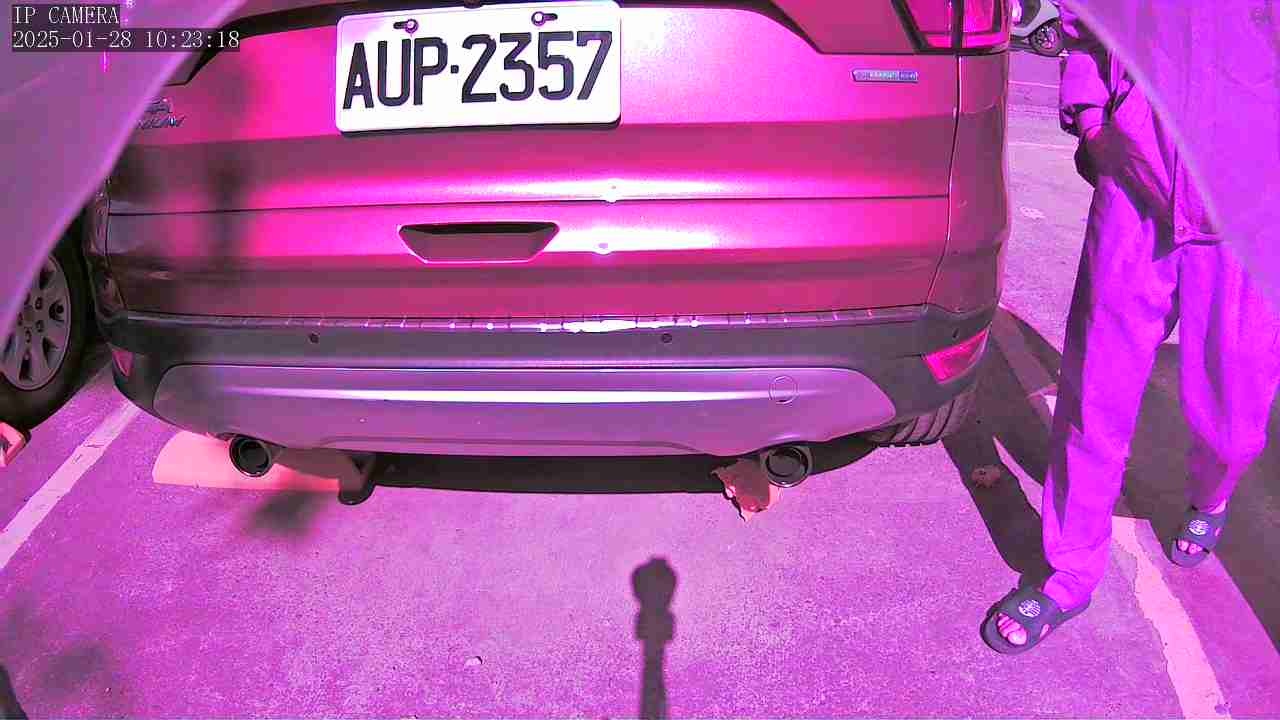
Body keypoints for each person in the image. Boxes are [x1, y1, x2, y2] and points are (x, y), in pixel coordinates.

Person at [982, 4, 1280, 654]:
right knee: (1095, 397)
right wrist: (1093, 122)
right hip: (1137, 202)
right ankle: (1069, 573)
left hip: (1250, 218)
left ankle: (1212, 496)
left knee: (1235, 419)